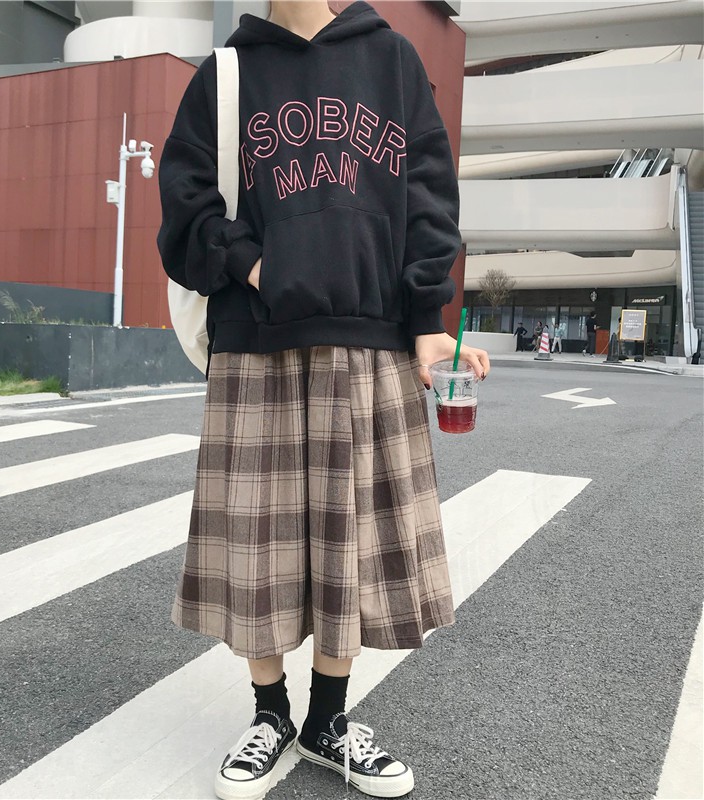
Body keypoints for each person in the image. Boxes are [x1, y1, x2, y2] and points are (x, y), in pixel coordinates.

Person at [156, 2, 490, 798]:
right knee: (256, 544)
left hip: (370, 336)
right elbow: (186, 205)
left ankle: (327, 722)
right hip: (257, 338)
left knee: (351, 545)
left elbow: (428, 199)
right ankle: (269, 714)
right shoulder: (228, 73)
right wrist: (257, 266)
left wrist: (427, 324)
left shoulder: (393, 61)